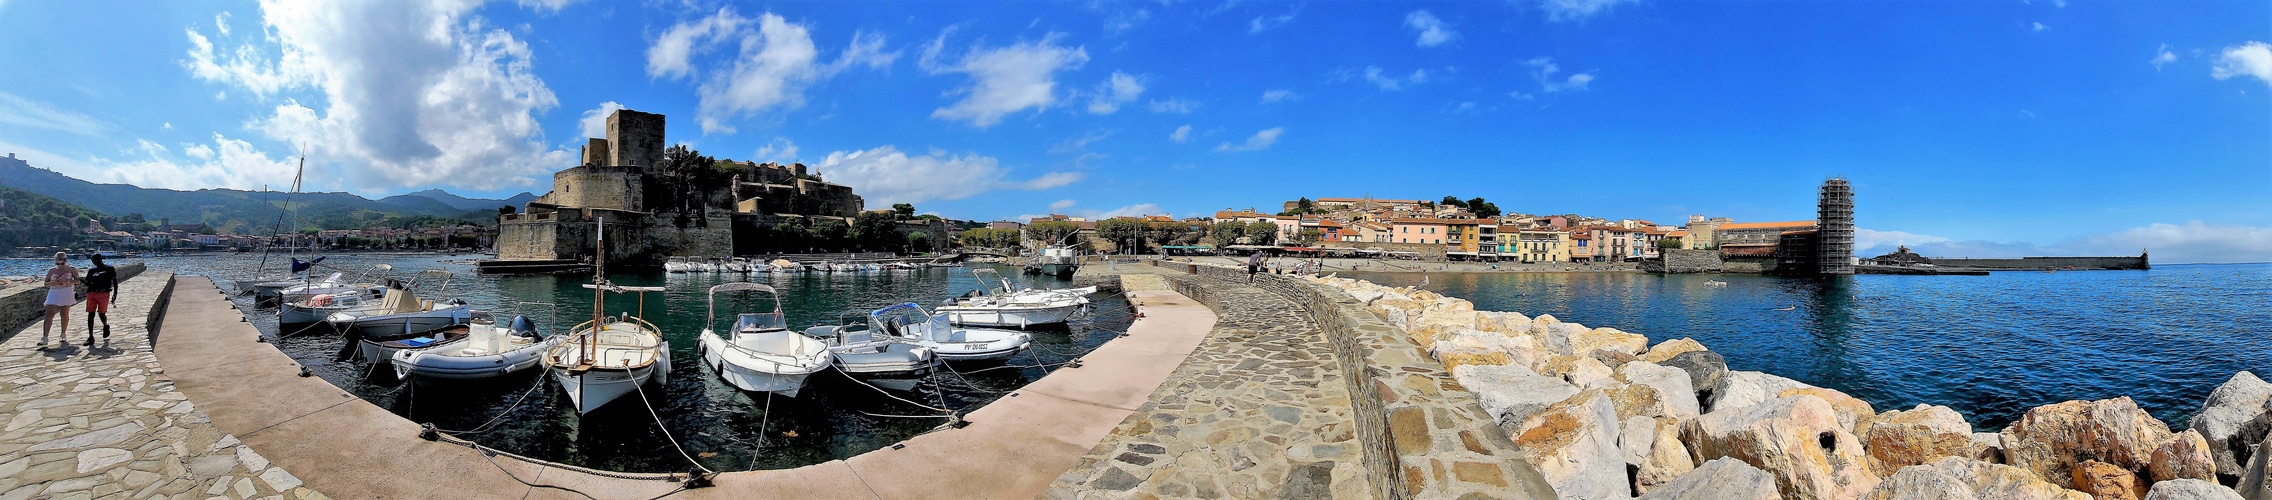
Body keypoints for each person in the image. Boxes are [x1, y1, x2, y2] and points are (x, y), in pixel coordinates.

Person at [40, 252, 79, 349]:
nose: (60, 266)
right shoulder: (52, 271)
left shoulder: (71, 269)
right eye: (57, 263)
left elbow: (78, 280)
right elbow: (45, 283)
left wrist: (68, 281)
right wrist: (52, 283)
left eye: (61, 263)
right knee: (49, 314)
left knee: (64, 313)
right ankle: (45, 337)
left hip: (66, 291)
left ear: (65, 261)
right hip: (54, 292)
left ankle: (63, 334)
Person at [82, 254, 118, 346]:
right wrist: (82, 281)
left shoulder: (109, 269)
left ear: (100, 259)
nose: (94, 262)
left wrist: (115, 293)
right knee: (91, 314)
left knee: (101, 313)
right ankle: (90, 337)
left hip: (104, 293)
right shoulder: (91, 271)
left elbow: (114, 281)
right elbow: (88, 283)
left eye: (95, 260)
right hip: (92, 293)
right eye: (93, 260)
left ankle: (105, 325)